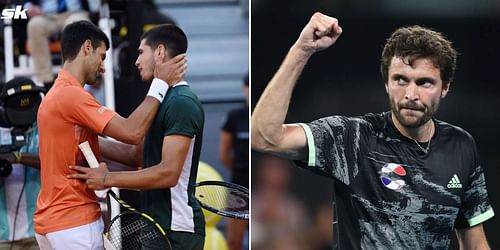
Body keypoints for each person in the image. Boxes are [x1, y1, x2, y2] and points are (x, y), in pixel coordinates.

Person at [251, 12, 494, 249]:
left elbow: (474, 242)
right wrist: (301, 50)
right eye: (400, 79)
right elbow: (263, 137)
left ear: (445, 88)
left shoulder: (462, 145)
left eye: (424, 82)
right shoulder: (352, 137)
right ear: (386, 83)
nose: (411, 94)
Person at [34, 20, 186, 249]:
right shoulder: (71, 96)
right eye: (102, 56)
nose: (103, 67)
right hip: (73, 224)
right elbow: (132, 132)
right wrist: (160, 83)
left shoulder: (55, 96)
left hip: (51, 223)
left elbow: (132, 154)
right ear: (87, 48)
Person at [68, 24, 206, 250]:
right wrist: (86, 139)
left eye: (142, 52)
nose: (136, 61)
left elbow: (168, 173)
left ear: (160, 52)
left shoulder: (182, 102)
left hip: (176, 230)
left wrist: (107, 179)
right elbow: (136, 155)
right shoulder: (163, 100)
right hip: (155, 224)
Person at [0, 78, 42, 250]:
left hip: (39, 232)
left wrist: (16, 157)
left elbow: (53, 161)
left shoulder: (44, 128)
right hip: (3, 236)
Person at [25, 0, 91, 89]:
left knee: (77, 26)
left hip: (75, 12)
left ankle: (68, 81)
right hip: (46, 16)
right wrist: (28, 6)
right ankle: (47, 83)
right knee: (34, 25)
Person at [219, 74, 249, 250]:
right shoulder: (234, 116)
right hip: (238, 184)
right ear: (243, 88)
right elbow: (223, 155)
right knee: (233, 240)